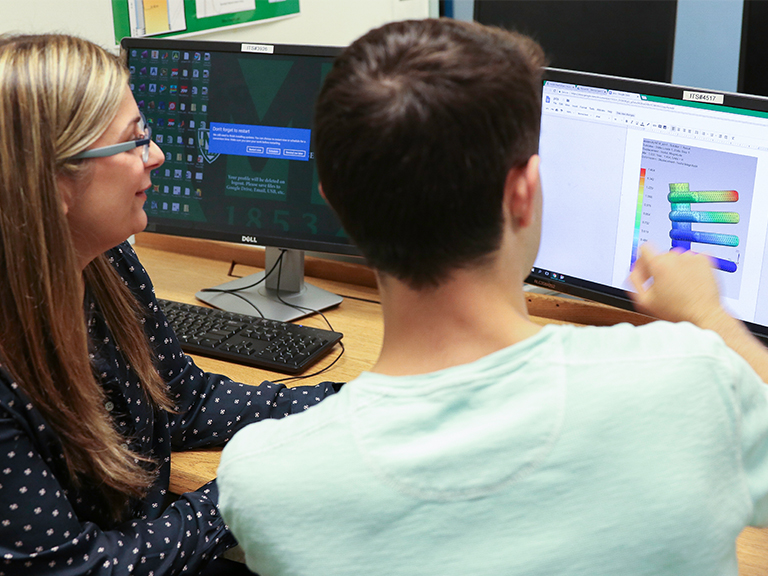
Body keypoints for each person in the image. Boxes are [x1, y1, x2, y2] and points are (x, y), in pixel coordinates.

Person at [217, 17, 768, 576]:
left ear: (332, 200)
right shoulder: (693, 383)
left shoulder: (263, 481)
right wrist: (707, 316)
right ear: (524, 192)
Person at [0, 33, 340, 575]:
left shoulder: (109, 268)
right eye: (134, 142)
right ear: (54, 181)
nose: (155, 155)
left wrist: (344, 405)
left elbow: (183, 401)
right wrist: (240, 489)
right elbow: (80, 569)